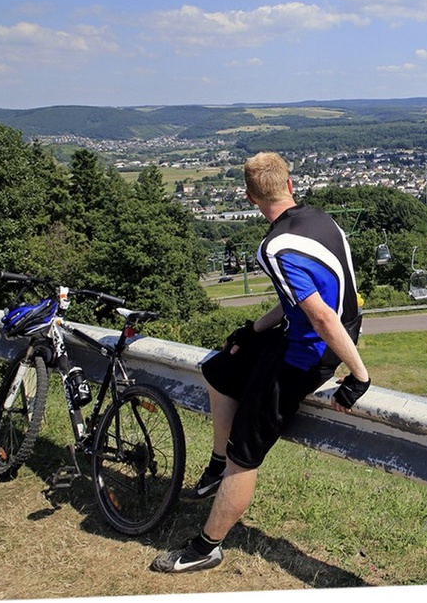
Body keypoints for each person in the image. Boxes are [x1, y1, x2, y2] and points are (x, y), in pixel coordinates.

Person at [151, 151, 371, 574]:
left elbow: (321, 315)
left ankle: (206, 546)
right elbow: (297, 302)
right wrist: (252, 331)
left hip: (308, 353)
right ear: (289, 185)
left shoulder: (273, 247)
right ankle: (216, 465)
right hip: (315, 332)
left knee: (245, 454)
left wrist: (358, 375)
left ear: (251, 198)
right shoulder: (322, 220)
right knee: (220, 368)